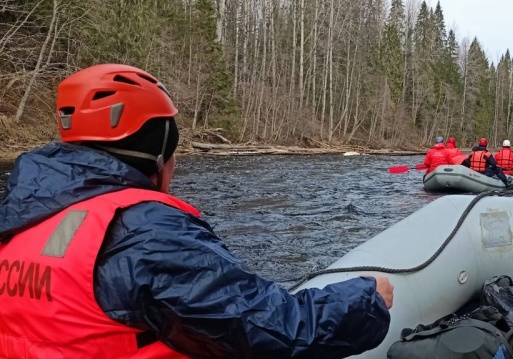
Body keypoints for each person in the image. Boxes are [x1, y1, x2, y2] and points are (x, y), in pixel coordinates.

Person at [0, 64, 394, 358]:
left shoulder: (18, 215)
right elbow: (276, 330)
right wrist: (365, 299)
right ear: (158, 153)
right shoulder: (147, 231)